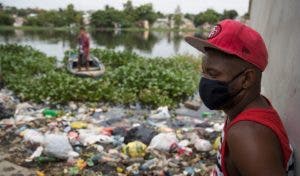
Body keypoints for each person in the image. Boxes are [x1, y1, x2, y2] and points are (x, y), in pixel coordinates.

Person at [185, 19, 294, 176]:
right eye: (204, 71)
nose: (205, 80)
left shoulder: (247, 135)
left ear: (247, 79)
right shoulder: (246, 109)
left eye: (213, 73)